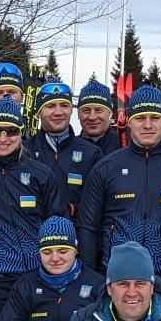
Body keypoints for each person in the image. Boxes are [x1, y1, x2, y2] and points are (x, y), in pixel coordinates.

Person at [0, 97, 69, 321]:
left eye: (11, 131)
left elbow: (60, 223)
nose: (3, 138)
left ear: (21, 133)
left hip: (40, 275)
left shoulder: (41, 173)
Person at [79, 85, 161, 284]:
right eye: (140, 118)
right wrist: (89, 277)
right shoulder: (106, 167)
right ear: (128, 121)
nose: (147, 125)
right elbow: (87, 227)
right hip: (117, 278)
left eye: (154, 118)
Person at [24, 79, 101, 217]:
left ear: (72, 110)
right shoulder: (24, 151)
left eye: (64, 105)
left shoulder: (91, 153)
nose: (58, 112)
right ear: (39, 112)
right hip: (34, 233)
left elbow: (95, 206)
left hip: (75, 234)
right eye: (51, 106)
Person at [74, 79, 119, 152]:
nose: (92, 117)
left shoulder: (123, 145)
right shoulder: (68, 148)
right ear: (78, 115)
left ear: (110, 113)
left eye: (99, 110)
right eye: (86, 111)